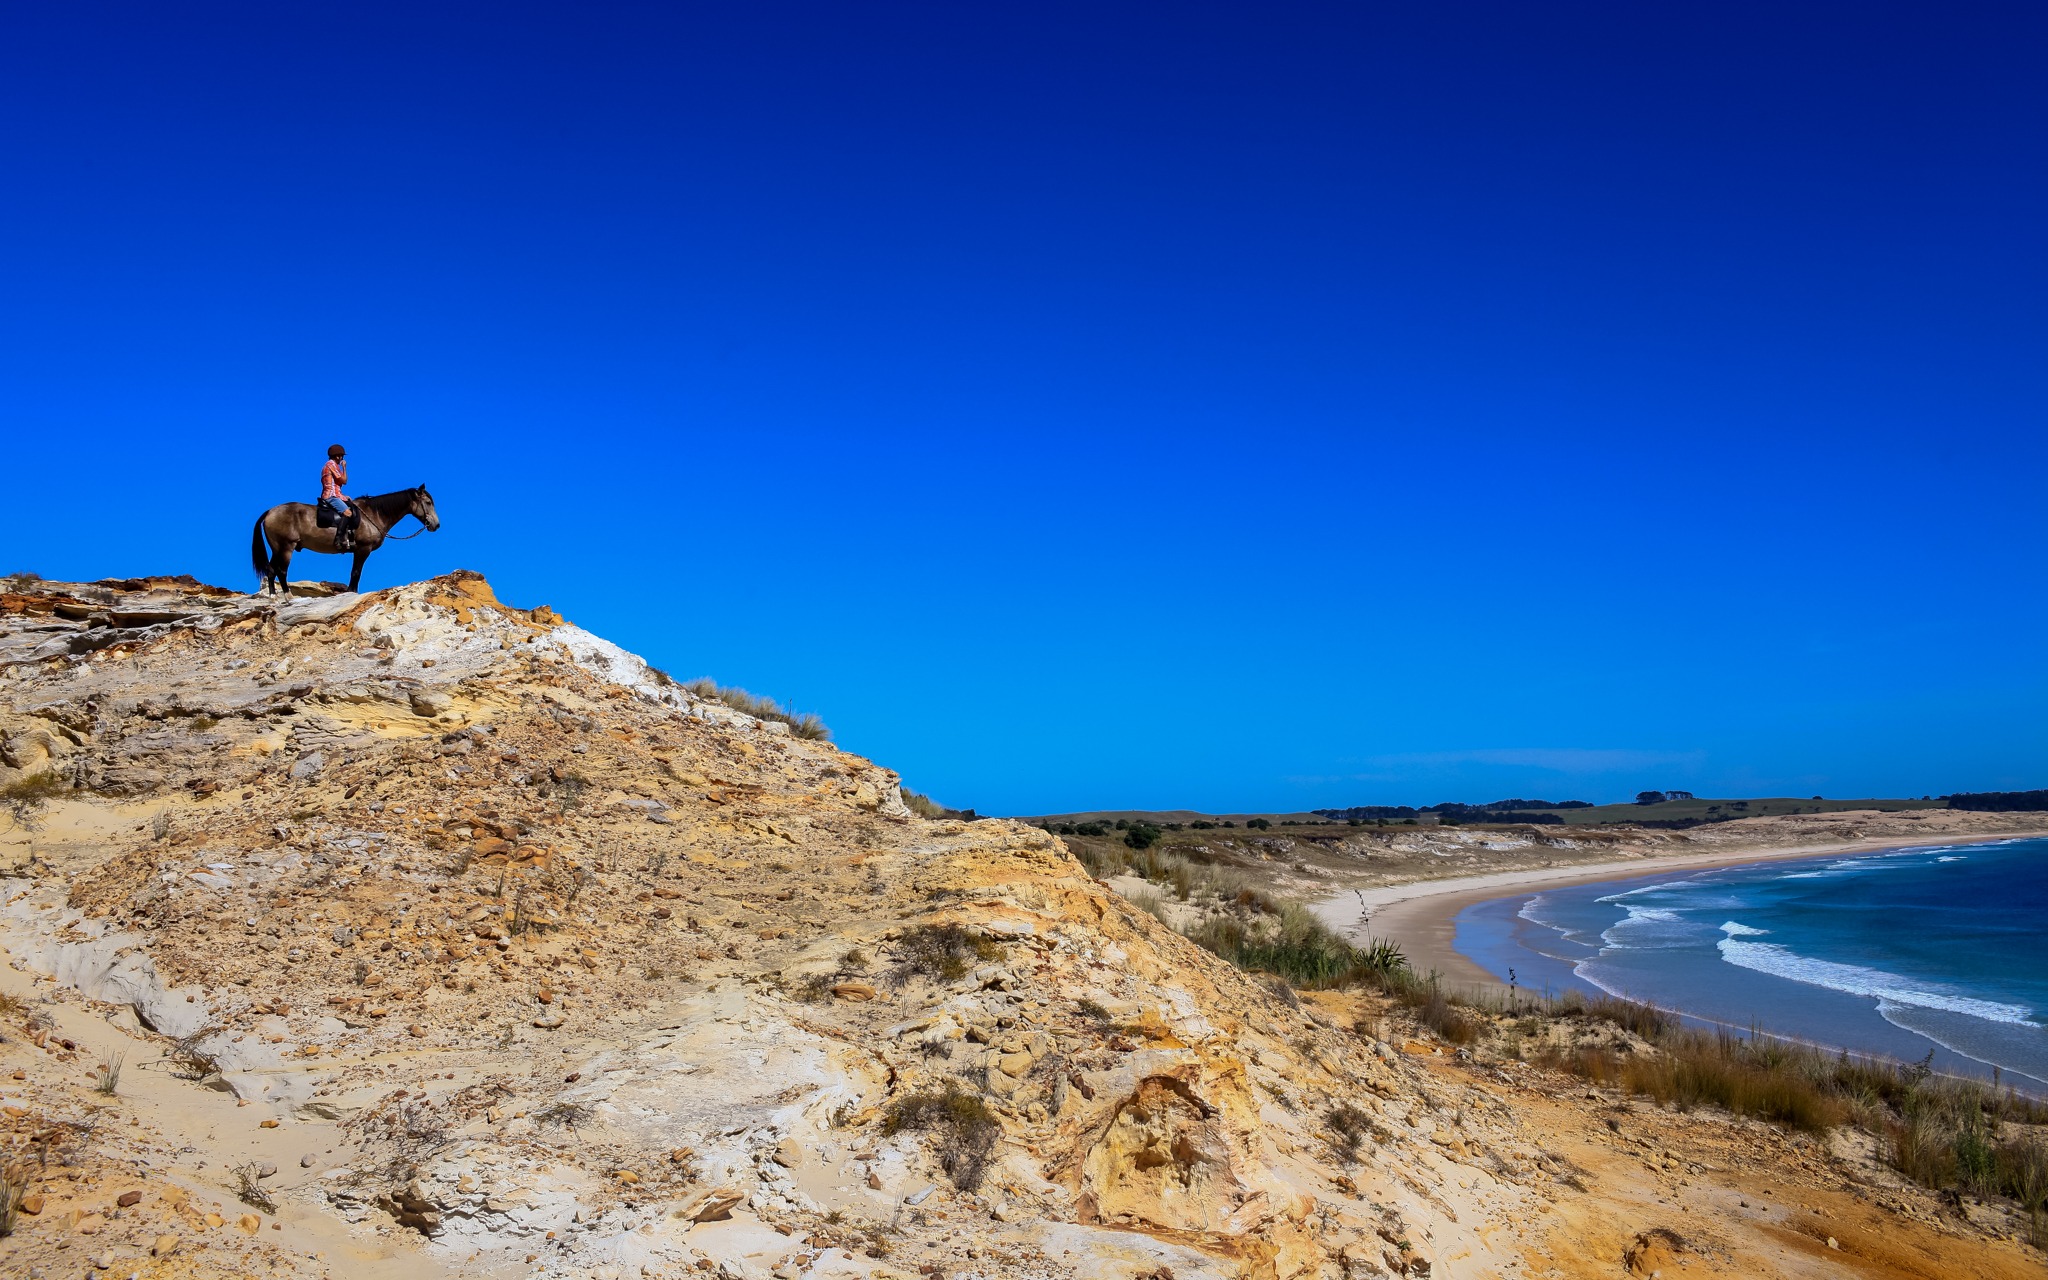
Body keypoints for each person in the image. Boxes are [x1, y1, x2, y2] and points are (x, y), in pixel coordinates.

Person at [319, 444, 357, 551]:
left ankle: (350, 536)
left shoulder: (331, 465)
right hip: (331, 496)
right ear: (337, 456)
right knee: (348, 513)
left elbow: (337, 484)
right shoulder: (331, 465)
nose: (342, 458)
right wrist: (344, 467)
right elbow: (344, 481)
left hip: (336, 494)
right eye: (341, 456)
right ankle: (339, 538)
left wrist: (344, 496)